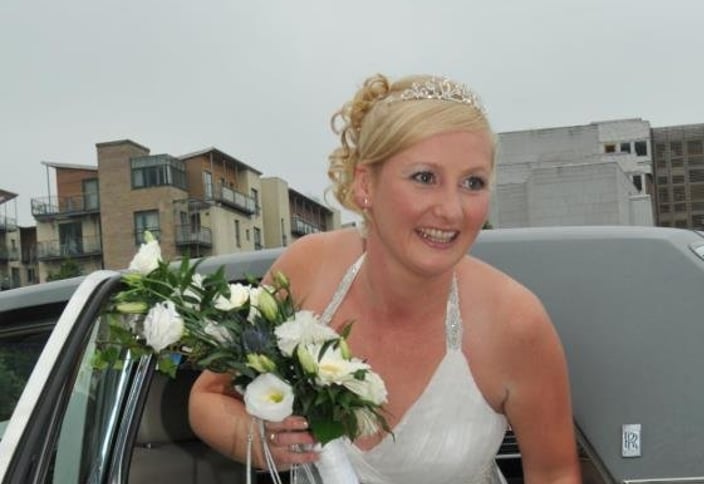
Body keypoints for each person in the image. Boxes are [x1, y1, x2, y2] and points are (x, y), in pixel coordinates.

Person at [189, 74, 580, 483]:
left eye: (473, 183)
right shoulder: (309, 270)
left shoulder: (514, 322)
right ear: (365, 185)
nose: (452, 210)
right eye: (425, 177)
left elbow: (555, 474)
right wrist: (259, 440)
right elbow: (208, 397)